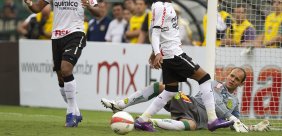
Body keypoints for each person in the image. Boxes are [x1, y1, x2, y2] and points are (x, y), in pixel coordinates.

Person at [118, 0, 234, 132]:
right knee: (205, 78)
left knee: (170, 91)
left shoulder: (162, 5)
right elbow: (155, 33)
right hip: (174, 55)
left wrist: (155, 52)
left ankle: (143, 120)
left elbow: (156, 31)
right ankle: (213, 119)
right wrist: (157, 52)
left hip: (168, 54)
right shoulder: (161, 7)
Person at [23, 0, 100, 127]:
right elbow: (37, 8)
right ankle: (76, 111)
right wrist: (29, 3)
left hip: (76, 33)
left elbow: (99, 13)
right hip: (57, 36)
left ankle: (70, 115)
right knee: (60, 77)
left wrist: (88, 5)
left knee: (66, 69)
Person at [101, 68, 271, 132]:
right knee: (163, 87)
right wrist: (230, 117)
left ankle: (150, 122)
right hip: (189, 102)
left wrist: (252, 128)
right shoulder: (213, 84)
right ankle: (120, 105)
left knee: (190, 126)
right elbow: (218, 106)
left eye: (236, 79)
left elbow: (236, 124)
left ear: (241, 84)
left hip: (200, 119)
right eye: (231, 75)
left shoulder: (235, 102)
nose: (232, 79)